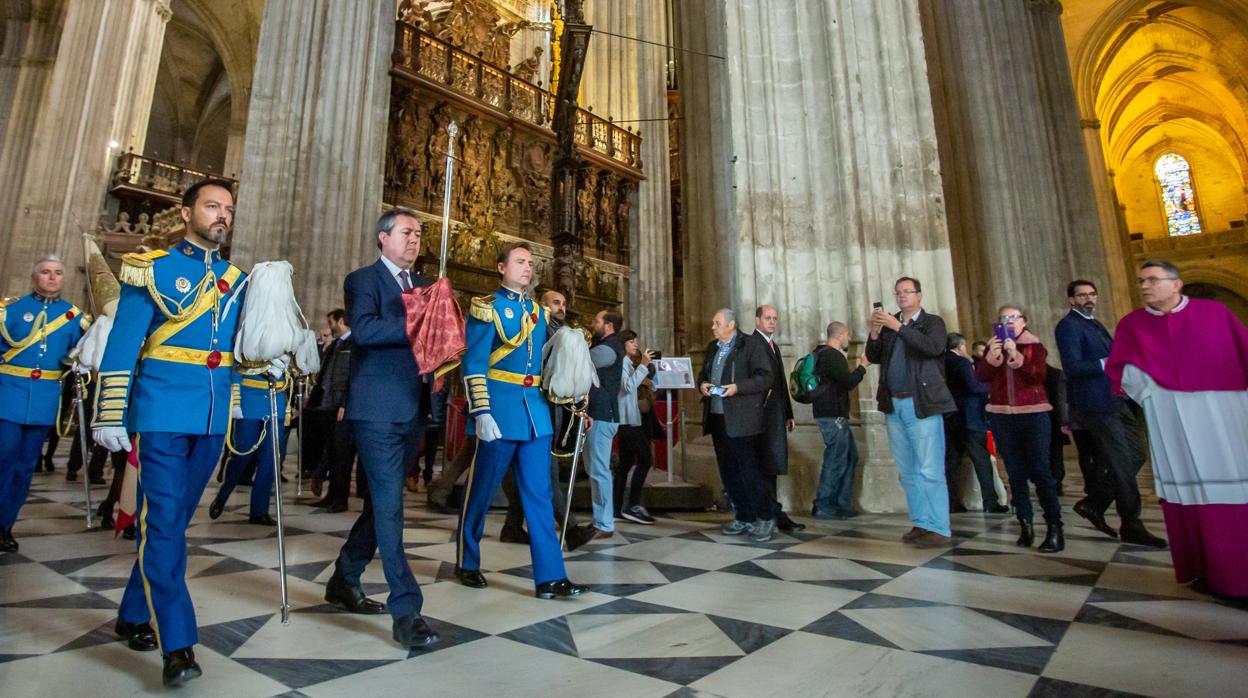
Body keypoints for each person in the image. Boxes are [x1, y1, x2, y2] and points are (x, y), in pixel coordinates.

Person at [90, 179, 247, 686]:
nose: (221, 215)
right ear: (186, 213)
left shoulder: (238, 279)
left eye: (227, 208)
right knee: (160, 524)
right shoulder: (151, 268)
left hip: (209, 417)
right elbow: (123, 342)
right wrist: (111, 411)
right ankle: (178, 643)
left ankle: (133, 613)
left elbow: (240, 350)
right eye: (211, 205)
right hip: (159, 411)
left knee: (173, 523)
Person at [324, 208, 439, 649]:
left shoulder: (425, 285)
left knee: (380, 506)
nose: (415, 239)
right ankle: (406, 610)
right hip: (375, 409)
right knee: (391, 507)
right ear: (383, 237)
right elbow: (367, 332)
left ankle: (343, 578)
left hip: (412, 408)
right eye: (408, 232)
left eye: (419, 234)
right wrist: (420, 317)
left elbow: (437, 340)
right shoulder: (363, 281)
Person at [1106, 260, 1248, 598]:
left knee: (1233, 487)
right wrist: (1154, 390)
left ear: (1176, 284)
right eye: (1141, 280)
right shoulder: (1133, 324)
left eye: (1153, 279)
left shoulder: (1215, 315)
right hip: (1170, 416)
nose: (1145, 285)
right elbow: (1121, 368)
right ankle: (1203, 568)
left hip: (1223, 411)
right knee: (1187, 491)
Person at [454, 242, 588, 599]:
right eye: (520, 262)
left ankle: (550, 576)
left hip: (535, 415)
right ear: (501, 267)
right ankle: (467, 561)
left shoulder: (538, 313)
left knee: (540, 496)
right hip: (499, 412)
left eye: (530, 263)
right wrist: (481, 411)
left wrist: (574, 399)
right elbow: (475, 364)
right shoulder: (487, 309)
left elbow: (548, 368)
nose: (527, 268)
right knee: (481, 491)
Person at [1054, 279, 1166, 546]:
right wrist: (1108, 361)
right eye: (1082, 296)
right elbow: (1072, 367)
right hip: (1096, 404)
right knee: (1119, 461)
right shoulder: (1068, 326)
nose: (1088, 299)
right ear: (1071, 300)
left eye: (1092, 294)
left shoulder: (1094, 323)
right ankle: (1131, 523)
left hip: (1117, 399)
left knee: (1135, 455)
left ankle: (1095, 502)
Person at [0, 256, 88, 552]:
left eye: (59, 273)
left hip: (44, 401)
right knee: (4, 460)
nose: (53, 278)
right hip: (8, 397)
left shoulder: (74, 317)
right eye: (47, 273)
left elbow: (80, 354)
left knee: (25, 467)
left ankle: (6, 525)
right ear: (35, 277)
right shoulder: (11, 310)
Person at [499, 289, 595, 551]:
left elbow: (570, 378)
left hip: (550, 410)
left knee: (531, 470)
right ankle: (571, 529)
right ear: (542, 306)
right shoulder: (536, 330)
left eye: (563, 303)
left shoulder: (565, 334)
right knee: (545, 472)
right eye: (555, 303)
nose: (561, 307)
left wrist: (579, 410)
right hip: (529, 408)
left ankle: (511, 527)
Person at [866, 277, 957, 547]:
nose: (902, 296)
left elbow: (933, 348)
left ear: (919, 295)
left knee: (930, 467)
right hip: (894, 403)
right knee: (907, 469)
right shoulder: (891, 324)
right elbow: (874, 355)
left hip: (923, 402)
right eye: (898, 292)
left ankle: (939, 526)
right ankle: (921, 521)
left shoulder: (933, 323)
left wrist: (900, 327)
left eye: (907, 292)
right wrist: (874, 333)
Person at [976, 305, 1064, 553]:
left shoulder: (1034, 347)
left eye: (1014, 317)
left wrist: (1016, 355)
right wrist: (993, 356)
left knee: (1040, 471)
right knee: (1014, 472)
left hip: (1033, 414)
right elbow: (981, 376)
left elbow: (1036, 375)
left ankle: (1054, 526)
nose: (1009, 321)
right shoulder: (994, 348)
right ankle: (1025, 524)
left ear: (1024, 321)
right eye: (1004, 317)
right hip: (1003, 416)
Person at [698, 308, 775, 542]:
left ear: (731, 325)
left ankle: (765, 516)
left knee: (749, 469)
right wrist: (702, 385)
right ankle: (743, 515)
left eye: (717, 323)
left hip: (742, 418)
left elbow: (765, 377)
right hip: (718, 416)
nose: (713, 327)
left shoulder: (750, 345)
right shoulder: (713, 348)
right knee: (729, 471)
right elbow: (704, 373)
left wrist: (737, 388)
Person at [208, 367, 289, 524]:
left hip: (276, 396)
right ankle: (223, 495)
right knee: (242, 454)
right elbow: (238, 364)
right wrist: (236, 400)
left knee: (270, 460)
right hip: (249, 397)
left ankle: (259, 511)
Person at [751, 305, 804, 531]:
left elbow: (780, 381)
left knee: (772, 464)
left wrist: (788, 413)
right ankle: (769, 512)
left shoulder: (772, 345)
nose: (772, 322)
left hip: (775, 414)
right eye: (767, 318)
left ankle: (773, 510)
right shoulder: (753, 344)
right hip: (761, 415)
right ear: (757, 320)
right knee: (765, 465)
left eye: (775, 318)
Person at [943, 333, 1008, 515]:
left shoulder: (941, 361)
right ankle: (990, 501)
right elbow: (973, 386)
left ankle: (952, 502)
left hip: (950, 418)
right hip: (970, 417)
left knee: (952, 462)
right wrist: (992, 387)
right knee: (982, 461)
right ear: (961, 346)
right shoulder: (962, 362)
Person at [810, 321, 867, 519]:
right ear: (840, 335)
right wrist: (863, 367)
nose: (849, 339)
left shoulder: (820, 354)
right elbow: (849, 382)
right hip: (832, 415)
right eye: (847, 335)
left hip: (832, 414)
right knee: (836, 460)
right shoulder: (832, 356)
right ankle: (825, 505)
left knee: (851, 456)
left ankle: (842, 502)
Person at [304, 309, 353, 502]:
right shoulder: (336, 345)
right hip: (326, 404)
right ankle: (331, 495)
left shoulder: (354, 343)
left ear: (341, 321)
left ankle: (340, 498)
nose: (330, 327)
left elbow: (351, 376)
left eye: (331, 322)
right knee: (330, 451)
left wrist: (344, 403)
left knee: (341, 455)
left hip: (340, 405)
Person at [584, 307, 625, 537]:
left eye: (596, 320)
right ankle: (600, 519)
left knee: (599, 470)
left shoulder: (608, 349)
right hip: (597, 415)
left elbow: (582, 362)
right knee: (594, 469)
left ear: (608, 325)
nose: (593, 323)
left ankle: (605, 523)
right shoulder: (608, 346)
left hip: (602, 415)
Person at [614, 329, 657, 524]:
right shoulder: (622, 362)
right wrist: (644, 366)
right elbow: (627, 387)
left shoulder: (627, 363)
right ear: (623, 344)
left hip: (629, 419)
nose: (635, 345)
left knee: (625, 464)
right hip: (627, 421)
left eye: (635, 341)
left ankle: (616, 507)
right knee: (646, 460)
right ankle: (631, 504)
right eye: (631, 342)